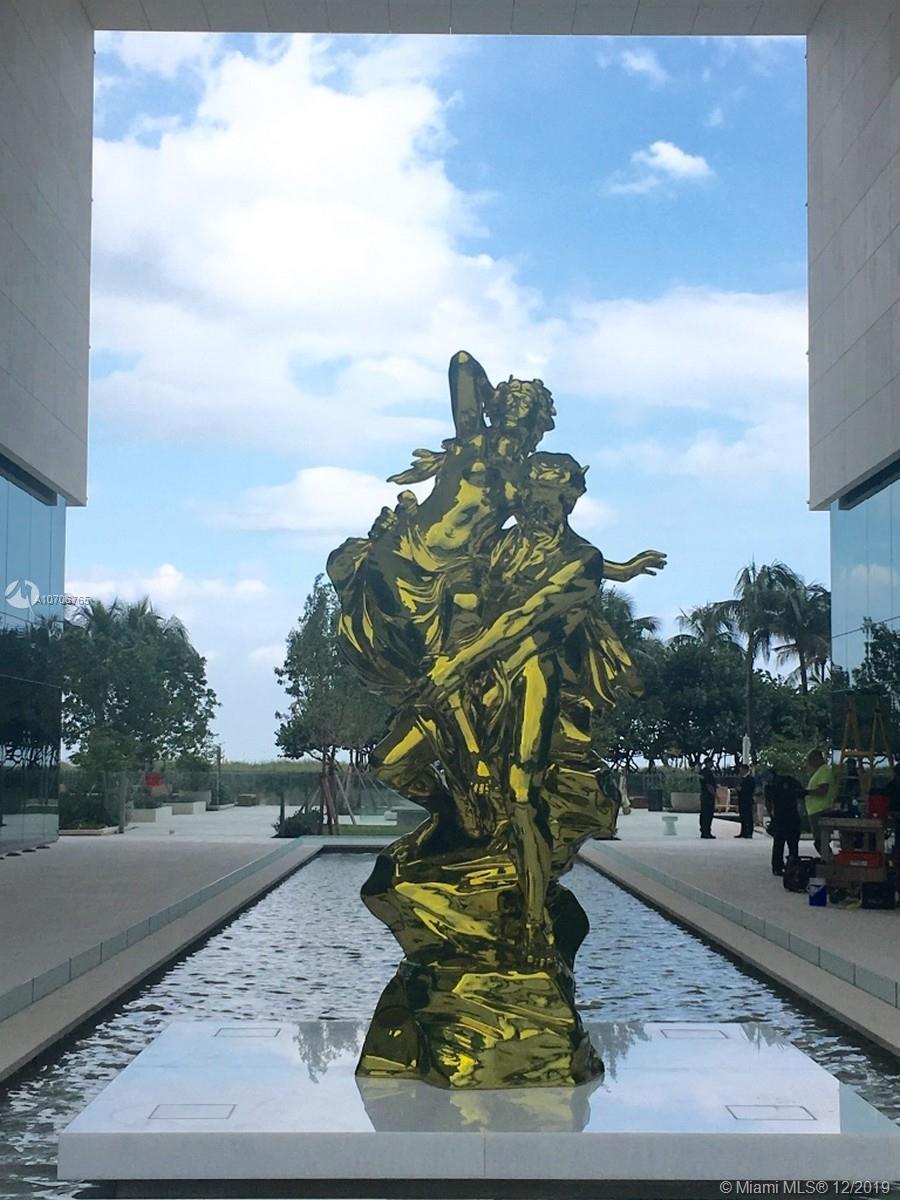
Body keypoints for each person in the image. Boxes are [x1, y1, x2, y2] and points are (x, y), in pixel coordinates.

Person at [765, 768, 805, 875]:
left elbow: (768, 803)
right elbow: (801, 794)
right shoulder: (790, 781)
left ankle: (778, 867)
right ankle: (793, 865)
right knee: (792, 844)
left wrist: (772, 816)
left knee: (779, 843)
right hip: (791, 815)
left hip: (781, 816)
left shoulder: (771, 786)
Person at [803, 748, 838, 852]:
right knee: (820, 841)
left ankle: (828, 858)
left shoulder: (824, 770)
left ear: (817, 759)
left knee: (820, 841)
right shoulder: (820, 771)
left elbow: (823, 791)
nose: (810, 764)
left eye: (811, 760)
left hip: (820, 809)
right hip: (815, 810)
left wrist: (806, 792)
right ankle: (828, 858)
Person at [699, 756, 717, 839]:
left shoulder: (702, 772)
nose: (712, 764)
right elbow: (708, 785)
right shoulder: (708, 772)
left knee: (704, 814)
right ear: (708, 763)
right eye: (711, 762)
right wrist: (714, 794)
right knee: (708, 814)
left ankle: (704, 831)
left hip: (704, 795)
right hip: (708, 796)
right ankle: (706, 832)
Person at [736, 763, 755, 838]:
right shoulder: (742, 779)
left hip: (747, 800)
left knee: (748, 816)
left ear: (745, 770)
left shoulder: (750, 779)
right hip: (742, 800)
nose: (740, 771)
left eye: (741, 769)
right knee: (742, 816)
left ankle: (749, 832)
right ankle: (743, 832)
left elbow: (750, 789)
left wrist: (741, 790)